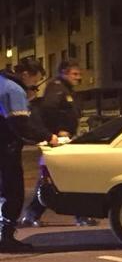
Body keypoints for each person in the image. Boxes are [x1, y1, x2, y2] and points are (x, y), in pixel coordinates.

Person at [20, 59, 98, 228]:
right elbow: (48, 111)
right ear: (63, 73)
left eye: (79, 74)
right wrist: (58, 131)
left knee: (54, 179)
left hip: (63, 141)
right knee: (69, 177)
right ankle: (80, 215)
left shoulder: (65, 90)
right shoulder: (57, 89)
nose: (78, 77)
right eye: (74, 74)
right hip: (58, 141)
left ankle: (32, 215)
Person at [0, 58, 58, 253]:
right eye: (36, 81)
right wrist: (48, 136)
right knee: (12, 193)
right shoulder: (13, 89)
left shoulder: (2, 82)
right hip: (5, 150)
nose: (36, 86)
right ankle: (5, 237)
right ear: (26, 74)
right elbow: (20, 124)